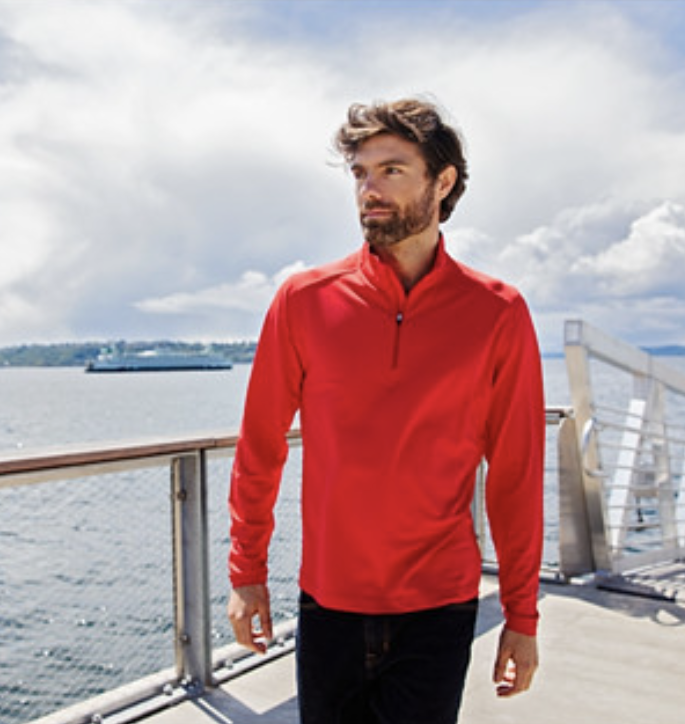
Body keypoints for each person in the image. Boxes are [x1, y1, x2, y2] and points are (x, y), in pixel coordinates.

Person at [227, 98, 544, 724]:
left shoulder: (498, 313)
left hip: (441, 606)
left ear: (443, 181)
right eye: (360, 173)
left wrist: (521, 615)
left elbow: (515, 475)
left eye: (392, 170)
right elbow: (259, 447)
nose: (369, 189)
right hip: (330, 605)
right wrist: (246, 574)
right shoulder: (303, 300)